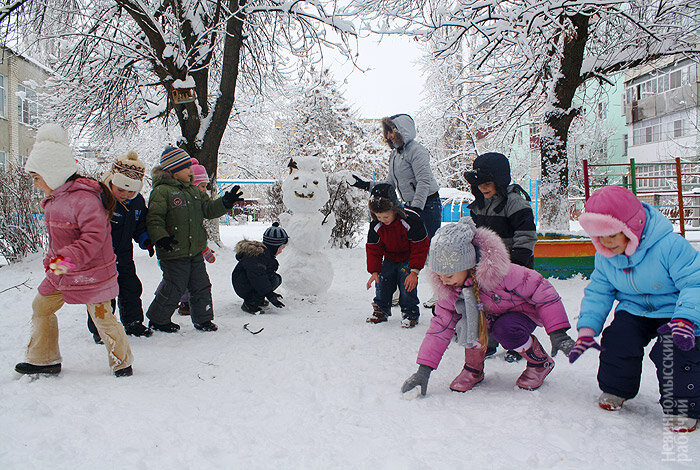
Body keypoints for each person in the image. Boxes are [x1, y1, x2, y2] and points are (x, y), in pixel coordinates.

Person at [568, 185, 699, 433]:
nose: (606, 243)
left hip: (676, 310)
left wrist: (686, 318)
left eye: (612, 235)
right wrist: (588, 328)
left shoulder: (670, 246)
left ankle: (682, 406)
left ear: (632, 226)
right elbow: (599, 290)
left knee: (673, 347)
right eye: (599, 237)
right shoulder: (606, 255)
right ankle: (617, 389)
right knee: (619, 338)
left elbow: (695, 282)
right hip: (636, 308)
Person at [401, 217, 574, 396]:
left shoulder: (502, 273)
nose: (444, 282)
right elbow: (440, 328)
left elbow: (543, 291)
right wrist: (424, 370)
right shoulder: (452, 291)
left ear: (467, 264)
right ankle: (473, 369)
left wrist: (558, 332)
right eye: (440, 276)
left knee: (505, 328)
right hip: (490, 316)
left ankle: (539, 362)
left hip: (521, 314)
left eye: (449, 276)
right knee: (470, 320)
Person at [15, 123, 133, 377]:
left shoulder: (85, 199)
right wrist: (52, 261)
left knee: (103, 317)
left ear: (53, 172)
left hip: (92, 273)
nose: (36, 185)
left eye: (37, 178)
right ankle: (44, 358)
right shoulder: (53, 201)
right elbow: (58, 242)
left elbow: (93, 239)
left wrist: (61, 261)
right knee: (41, 307)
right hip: (63, 271)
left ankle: (122, 361)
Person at [145, 146, 243, 333]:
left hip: (195, 250)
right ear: (172, 171)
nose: (190, 171)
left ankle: (203, 319)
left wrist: (225, 203)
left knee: (201, 285)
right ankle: (158, 319)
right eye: (186, 167)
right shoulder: (162, 192)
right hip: (173, 251)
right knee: (174, 286)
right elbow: (154, 219)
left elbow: (207, 210)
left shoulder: (194, 192)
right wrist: (161, 238)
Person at [351, 113, 441, 306]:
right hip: (410, 206)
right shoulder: (395, 154)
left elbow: (424, 181)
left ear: (403, 131)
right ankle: (401, 292)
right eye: (388, 131)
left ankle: (440, 293)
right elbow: (390, 184)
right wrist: (367, 185)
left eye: (393, 130)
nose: (389, 135)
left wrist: (416, 209)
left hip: (427, 204)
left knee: (430, 248)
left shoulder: (417, 151)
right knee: (406, 251)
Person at [464, 152, 538, 361]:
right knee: (488, 305)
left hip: (515, 266)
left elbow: (526, 236)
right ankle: (490, 342)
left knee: (512, 307)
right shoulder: (479, 205)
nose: (483, 188)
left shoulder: (515, 203)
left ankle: (517, 344)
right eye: (479, 184)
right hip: (488, 266)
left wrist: (517, 265)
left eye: (488, 183)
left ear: (500, 180)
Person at [86, 151, 154, 344]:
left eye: (131, 191)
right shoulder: (100, 199)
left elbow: (140, 225)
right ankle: (100, 328)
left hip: (124, 255)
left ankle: (133, 322)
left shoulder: (137, 202)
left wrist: (146, 240)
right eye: (121, 190)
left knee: (131, 288)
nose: (125, 195)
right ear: (112, 182)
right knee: (103, 293)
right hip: (100, 257)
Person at [365, 183, 429, 328]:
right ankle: (381, 309)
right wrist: (374, 271)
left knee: (407, 283)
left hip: (408, 257)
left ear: (394, 208)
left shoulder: (410, 220)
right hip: (390, 257)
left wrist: (414, 271)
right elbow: (373, 249)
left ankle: (410, 313)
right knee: (383, 281)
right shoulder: (376, 225)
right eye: (378, 216)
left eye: (386, 216)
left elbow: (420, 245)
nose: (382, 219)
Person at [172, 158, 216, 316]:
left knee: (190, 279)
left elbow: (196, 233)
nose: (205, 190)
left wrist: (205, 250)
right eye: (202, 186)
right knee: (180, 280)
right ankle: (183, 303)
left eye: (206, 186)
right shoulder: (181, 202)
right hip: (176, 249)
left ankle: (187, 303)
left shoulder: (197, 204)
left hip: (192, 249)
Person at [232, 222, 288, 313]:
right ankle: (250, 304)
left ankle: (258, 299)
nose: (281, 251)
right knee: (273, 279)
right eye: (281, 248)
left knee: (274, 278)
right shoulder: (258, 257)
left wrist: (269, 293)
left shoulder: (265, 255)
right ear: (274, 247)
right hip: (243, 285)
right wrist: (270, 294)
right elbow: (258, 277)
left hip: (248, 282)